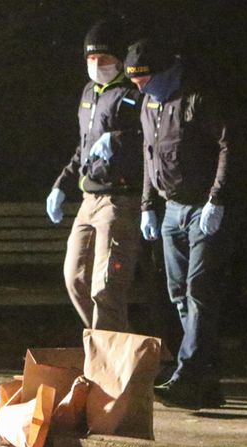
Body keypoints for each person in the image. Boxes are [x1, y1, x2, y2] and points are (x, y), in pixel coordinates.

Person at [124, 38, 231, 409]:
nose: (138, 86)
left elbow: (226, 144)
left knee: (198, 290)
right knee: (179, 295)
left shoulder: (195, 99)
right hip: (170, 210)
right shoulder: (150, 103)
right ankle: (206, 379)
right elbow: (148, 155)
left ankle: (187, 376)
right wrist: (147, 205)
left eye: (144, 78)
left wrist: (216, 198)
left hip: (201, 207)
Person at [47, 20, 144, 333]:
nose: (96, 64)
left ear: (118, 60)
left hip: (119, 198)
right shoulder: (89, 92)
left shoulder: (133, 92)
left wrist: (117, 141)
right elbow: (85, 148)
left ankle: (109, 367)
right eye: (91, 59)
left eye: (103, 59)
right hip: (89, 199)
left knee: (107, 288)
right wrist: (62, 184)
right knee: (75, 279)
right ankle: (112, 349)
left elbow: (150, 137)